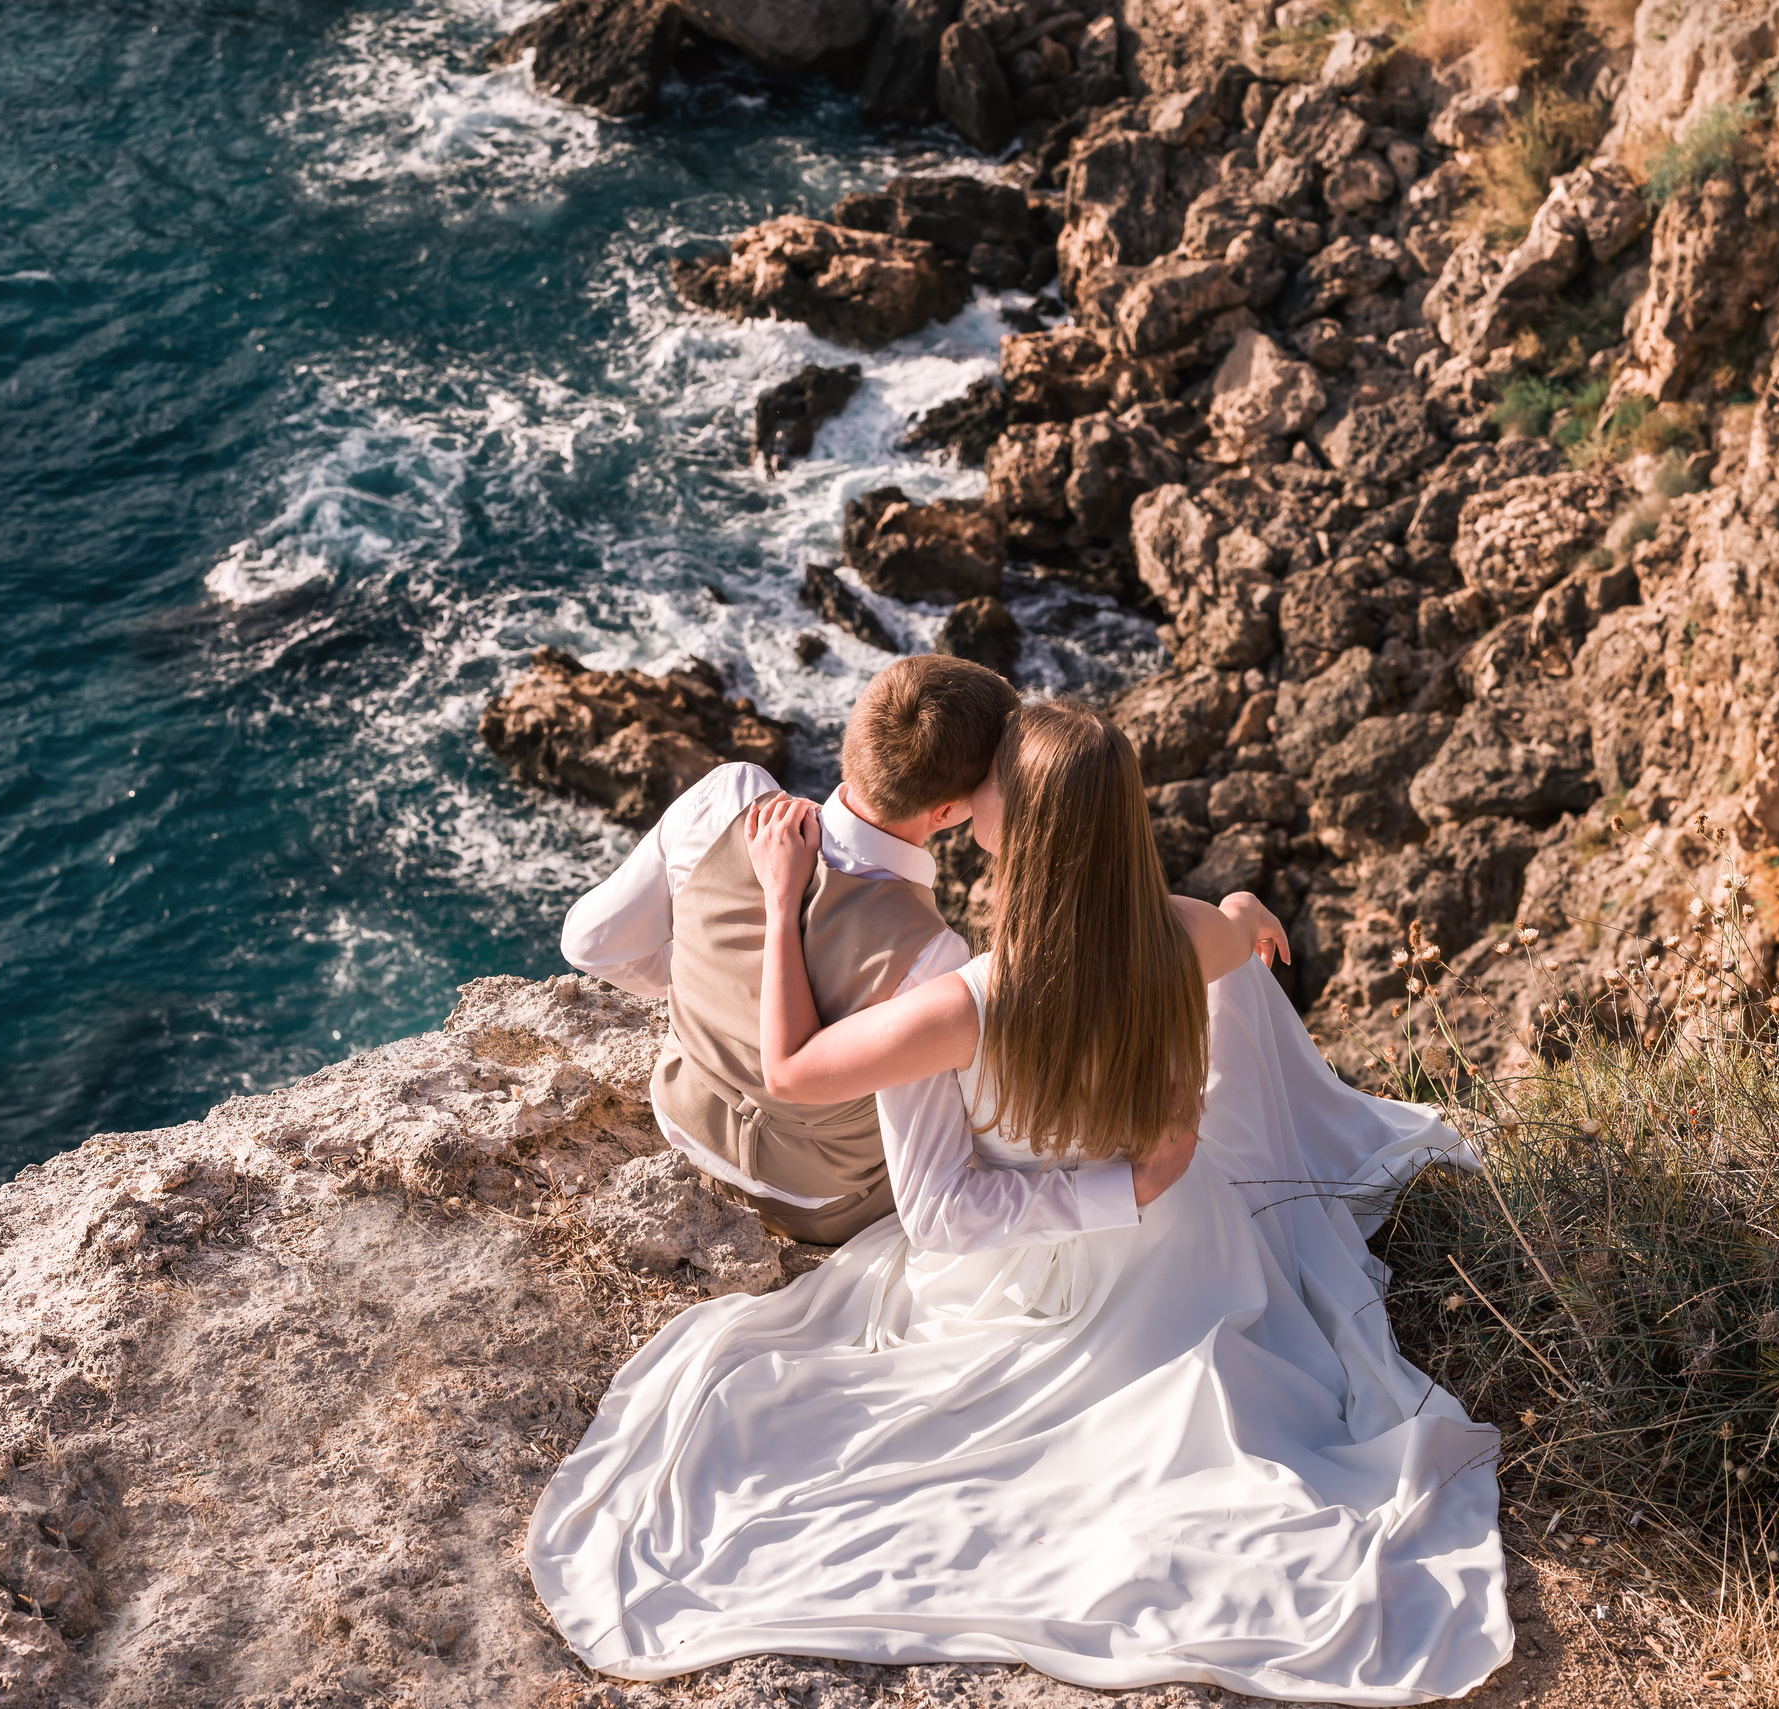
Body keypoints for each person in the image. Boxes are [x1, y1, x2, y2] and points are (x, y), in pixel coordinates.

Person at [531, 699, 1512, 1701]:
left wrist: (783, 901)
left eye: (996, 781)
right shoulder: (1179, 938)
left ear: (1016, 831)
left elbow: (813, 1093)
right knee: (1245, 993)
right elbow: (1232, 932)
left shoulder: (959, 1000)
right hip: (1192, 1249)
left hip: (1029, 1268)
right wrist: (1243, 915)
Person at [560, 654, 1193, 1249]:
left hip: (679, 1114)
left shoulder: (730, 797)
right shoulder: (934, 958)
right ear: (947, 811)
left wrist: (706, 983)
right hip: (817, 1202)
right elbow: (936, 1190)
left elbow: (589, 943)